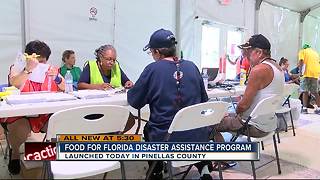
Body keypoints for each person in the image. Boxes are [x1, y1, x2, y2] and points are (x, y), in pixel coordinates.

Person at [127, 29, 213, 180]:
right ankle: (204, 168)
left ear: (157, 52)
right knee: (192, 129)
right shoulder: (192, 67)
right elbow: (204, 100)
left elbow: (135, 101)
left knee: (148, 129)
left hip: (167, 139)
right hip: (197, 137)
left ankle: (156, 171)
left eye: (152, 53)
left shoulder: (152, 70)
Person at [211, 34, 284, 154]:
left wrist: (229, 114)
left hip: (253, 126)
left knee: (209, 123)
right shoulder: (278, 68)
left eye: (247, 52)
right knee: (224, 115)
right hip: (269, 123)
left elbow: (242, 107)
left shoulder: (259, 70)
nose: (244, 56)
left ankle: (221, 158)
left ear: (259, 52)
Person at [1, 40, 65, 175]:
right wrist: (28, 70)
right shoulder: (17, 68)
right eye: (36, 61)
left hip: (42, 114)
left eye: (43, 62)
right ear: (27, 57)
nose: (39, 65)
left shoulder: (51, 70)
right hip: (20, 115)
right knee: (21, 129)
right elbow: (14, 83)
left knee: (59, 124)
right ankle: (15, 153)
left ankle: (48, 154)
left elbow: (65, 87)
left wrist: (57, 79)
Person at [298, 44, 320, 114]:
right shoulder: (316, 53)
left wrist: (300, 71)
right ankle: (319, 109)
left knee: (305, 91)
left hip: (306, 73)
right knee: (315, 92)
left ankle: (304, 109)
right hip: (315, 74)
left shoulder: (303, 51)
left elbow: (301, 60)